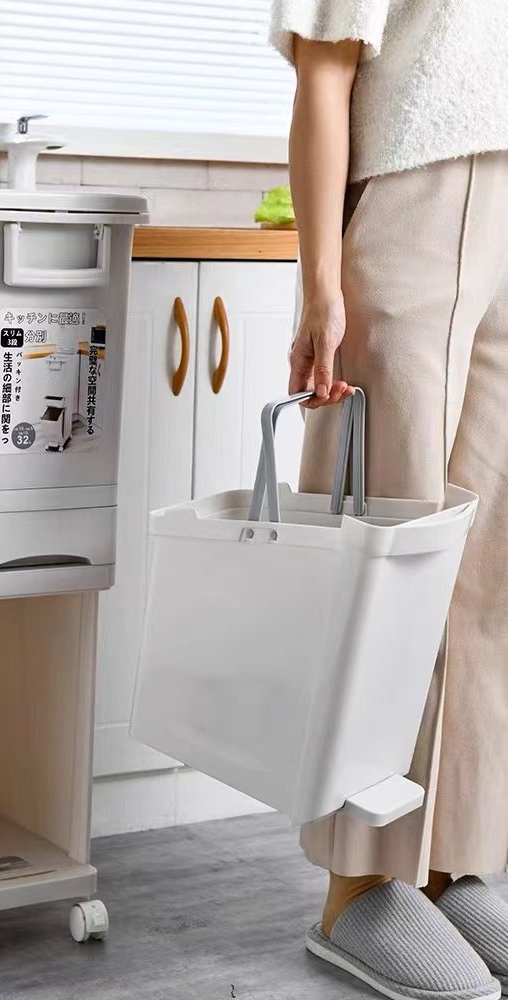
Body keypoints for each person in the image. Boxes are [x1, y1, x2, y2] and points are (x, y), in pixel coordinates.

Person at [269, 2, 508, 999]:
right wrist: (321, 283)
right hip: (412, 195)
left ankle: (454, 862)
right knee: (388, 566)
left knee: (485, 576)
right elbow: (324, 69)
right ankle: (357, 885)